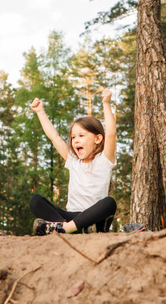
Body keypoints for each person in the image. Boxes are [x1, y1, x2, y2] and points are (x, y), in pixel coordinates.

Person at [29, 88, 117, 235]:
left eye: (81, 135)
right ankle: (67, 227)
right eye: (73, 137)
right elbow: (54, 137)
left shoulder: (104, 160)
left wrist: (106, 103)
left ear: (97, 139)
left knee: (109, 203)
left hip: (94, 217)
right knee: (35, 200)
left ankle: (63, 229)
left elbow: (111, 135)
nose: (75, 140)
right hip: (70, 217)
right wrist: (40, 112)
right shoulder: (73, 161)